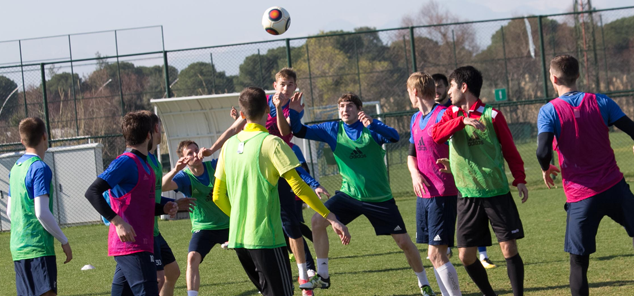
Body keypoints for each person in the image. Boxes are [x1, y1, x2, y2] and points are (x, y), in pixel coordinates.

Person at [290, 93, 436, 295]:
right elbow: (298, 130)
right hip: (349, 196)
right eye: (341, 106)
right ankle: (323, 275)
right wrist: (295, 113)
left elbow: (394, 136)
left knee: (404, 243)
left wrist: (373, 124)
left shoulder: (370, 128)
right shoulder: (332, 129)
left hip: (379, 199)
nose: (344, 110)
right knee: (317, 220)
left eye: (349, 106)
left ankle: (424, 283)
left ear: (359, 109)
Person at [212, 87, 350, 296]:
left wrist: (239, 219)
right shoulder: (272, 143)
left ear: (241, 115)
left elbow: (217, 196)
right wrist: (330, 216)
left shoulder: (229, 145)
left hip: (239, 241)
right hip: (266, 239)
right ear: (268, 109)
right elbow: (298, 186)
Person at [536, 54, 634, 296]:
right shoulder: (602, 102)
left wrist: (545, 166)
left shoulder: (549, 111)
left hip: (581, 197)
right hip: (615, 188)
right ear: (578, 75)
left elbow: (542, 150)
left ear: (553, 78)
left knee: (579, 262)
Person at [432, 66, 528, 296]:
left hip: (496, 192)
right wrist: (462, 122)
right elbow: (436, 134)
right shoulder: (451, 114)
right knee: (466, 257)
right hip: (467, 196)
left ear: (463, 87)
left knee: (508, 248)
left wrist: (520, 179)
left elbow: (510, 150)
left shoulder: (492, 115)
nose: (449, 92)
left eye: (452, 86)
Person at [84, 111, 178, 295]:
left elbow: (141, 205)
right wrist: (118, 222)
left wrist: (162, 207)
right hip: (131, 245)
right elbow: (92, 192)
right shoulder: (126, 162)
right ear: (149, 134)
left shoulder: (146, 164)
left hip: (143, 241)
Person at [407, 72, 462, 296]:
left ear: (416, 92)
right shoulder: (414, 119)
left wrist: (454, 163)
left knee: (438, 254)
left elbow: (462, 145)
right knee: (433, 255)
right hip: (424, 194)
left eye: (409, 91)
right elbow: (411, 154)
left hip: (443, 193)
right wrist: (414, 174)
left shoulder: (444, 114)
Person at [7, 117, 73, 296]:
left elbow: (9, 212)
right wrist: (64, 240)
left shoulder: (15, 168)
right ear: (45, 136)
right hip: (38, 248)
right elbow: (41, 212)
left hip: (18, 248)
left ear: (22, 141)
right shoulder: (39, 168)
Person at [162, 140, 229, 296]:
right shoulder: (184, 177)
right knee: (192, 258)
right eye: (189, 153)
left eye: (196, 150)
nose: (195, 154)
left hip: (228, 224)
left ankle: (263, 286)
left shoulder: (214, 166)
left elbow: (231, 150)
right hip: (204, 227)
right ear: (184, 160)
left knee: (251, 253)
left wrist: (212, 150)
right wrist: (175, 169)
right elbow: (163, 186)